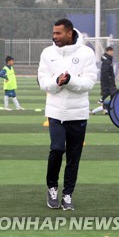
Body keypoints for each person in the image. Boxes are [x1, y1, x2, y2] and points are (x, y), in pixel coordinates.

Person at [38, 18, 97, 211]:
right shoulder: (47, 53)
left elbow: (89, 83)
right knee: (56, 149)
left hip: (78, 113)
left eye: (58, 33)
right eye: (53, 33)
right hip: (55, 112)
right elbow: (43, 83)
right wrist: (58, 81)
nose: (54, 37)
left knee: (74, 155)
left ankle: (68, 194)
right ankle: (52, 187)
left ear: (69, 33)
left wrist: (70, 80)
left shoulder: (87, 53)